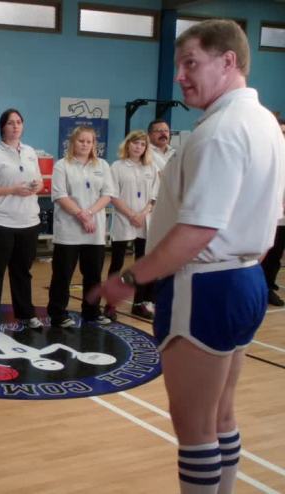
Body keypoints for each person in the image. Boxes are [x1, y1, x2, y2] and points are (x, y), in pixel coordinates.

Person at [94, 20, 285, 494]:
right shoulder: (264, 122)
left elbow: (199, 229)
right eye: (179, 64)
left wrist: (129, 279)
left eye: (191, 63)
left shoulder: (220, 131)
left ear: (228, 61)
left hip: (206, 284)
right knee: (220, 415)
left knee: (195, 426)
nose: (180, 75)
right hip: (246, 276)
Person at [0, 109, 44, 335]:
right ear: (2, 127)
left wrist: (37, 186)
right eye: (10, 123)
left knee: (22, 271)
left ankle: (26, 313)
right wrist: (12, 190)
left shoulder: (30, 152)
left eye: (19, 122)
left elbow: (40, 182)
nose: (15, 126)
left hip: (28, 222)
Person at [46, 125, 116, 328]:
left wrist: (90, 213)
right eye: (81, 141)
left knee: (93, 275)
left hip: (94, 231)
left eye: (89, 141)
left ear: (94, 144)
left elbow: (108, 194)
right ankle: (58, 314)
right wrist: (81, 215)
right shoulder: (62, 165)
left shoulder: (102, 165)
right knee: (62, 275)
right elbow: (60, 195)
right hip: (68, 231)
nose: (85, 145)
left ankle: (92, 312)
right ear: (73, 142)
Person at [105, 130, 158, 321]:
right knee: (117, 263)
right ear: (128, 144)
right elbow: (112, 195)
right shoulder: (117, 166)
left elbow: (154, 196)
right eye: (135, 143)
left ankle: (138, 304)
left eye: (142, 144)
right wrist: (131, 214)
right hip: (123, 219)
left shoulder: (151, 167)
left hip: (144, 220)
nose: (138, 147)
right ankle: (110, 305)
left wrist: (142, 214)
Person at [260, 118, 285, 307]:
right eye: (281, 132)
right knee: (264, 253)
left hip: (282, 216)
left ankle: (268, 286)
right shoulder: (264, 154)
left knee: (276, 254)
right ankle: (260, 287)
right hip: (266, 215)